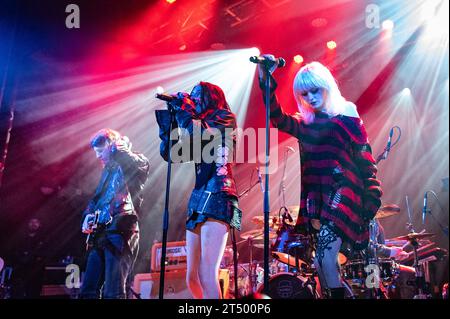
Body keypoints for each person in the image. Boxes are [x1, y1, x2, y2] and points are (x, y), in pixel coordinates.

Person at [257, 58, 383, 298]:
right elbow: (277, 117)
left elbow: (364, 155)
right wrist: (265, 80)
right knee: (321, 267)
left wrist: (373, 192)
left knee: (325, 257)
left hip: (344, 189)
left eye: (315, 90)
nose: (311, 97)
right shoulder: (306, 122)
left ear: (327, 86)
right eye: (305, 93)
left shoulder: (346, 111)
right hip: (318, 196)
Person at [156, 82, 242, 299]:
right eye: (190, 96)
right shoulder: (198, 124)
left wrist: (184, 109)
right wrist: (171, 120)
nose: (191, 100)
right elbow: (172, 154)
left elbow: (202, 135)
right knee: (191, 277)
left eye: (196, 96)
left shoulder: (225, 117)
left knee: (206, 273)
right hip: (199, 197)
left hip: (219, 193)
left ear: (210, 98)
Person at [80, 129, 149, 299]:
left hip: (121, 229)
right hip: (101, 233)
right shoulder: (108, 171)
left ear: (112, 147)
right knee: (88, 290)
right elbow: (97, 199)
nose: (98, 157)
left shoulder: (138, 162)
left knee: (114, 291)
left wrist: (119, 147)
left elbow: (130, 162)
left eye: (101, 151)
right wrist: (86, 217)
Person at [10, 217, 46, 298]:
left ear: (40, 224)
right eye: (31, 221)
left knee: (33, 293)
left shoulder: (43, 238)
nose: (33, 224)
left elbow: (44, 254)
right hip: (21, 272)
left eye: (36, 222)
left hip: (35, 273)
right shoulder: (21, 237)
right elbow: (15, 251)